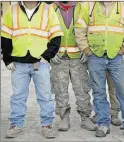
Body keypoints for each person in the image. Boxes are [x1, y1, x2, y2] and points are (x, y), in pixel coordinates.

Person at [75, 1, 124, 139]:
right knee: (98, 92)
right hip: (95, 56)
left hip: (116, 56)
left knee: (123, 90)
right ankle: (103, 123)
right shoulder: (88, 6)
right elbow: (79, 29)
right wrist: (86, 50)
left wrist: (123, 49)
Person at [1, 1, 63, 138]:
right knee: (18, 96)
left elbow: (56, 35)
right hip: (18, 62)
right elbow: (5, 35)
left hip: (40, 62)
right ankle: (16, 124)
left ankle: (47, 125)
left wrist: (47, 56)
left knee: (45, 96)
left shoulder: (47, 10)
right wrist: (7, 58)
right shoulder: (13, 9)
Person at [50, 1, 96, 132]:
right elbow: (44, 31)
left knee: (82, 89)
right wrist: (50, 52)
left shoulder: (83, 7)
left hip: (79, 57)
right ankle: (64, 117)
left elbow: (91, 29)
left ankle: (85, 118)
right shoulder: (50, 9)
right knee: (60, 89)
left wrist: (87, 50)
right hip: (58, 57)